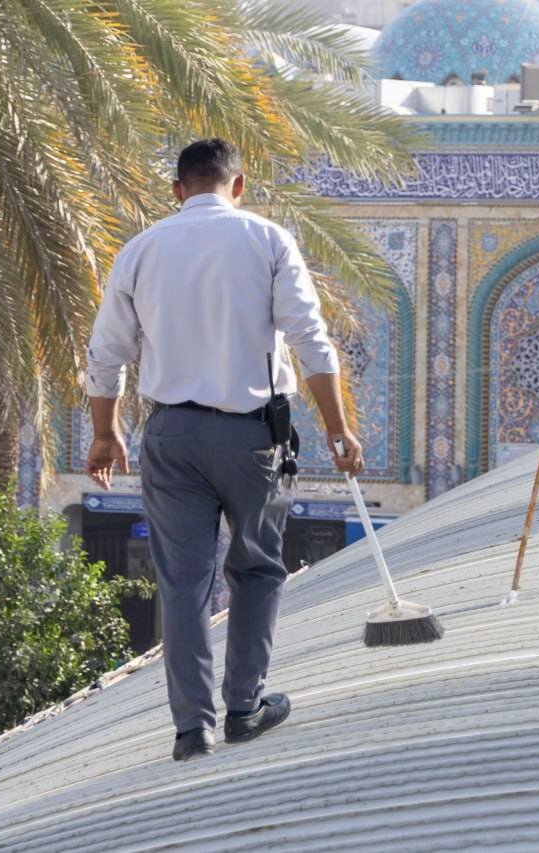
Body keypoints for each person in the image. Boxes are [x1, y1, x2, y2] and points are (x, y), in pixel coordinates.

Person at [85, 139, 362, 762]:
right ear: (239, 186)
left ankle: (192, 727)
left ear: (177, 190)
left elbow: (106, 355)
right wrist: (338, 428)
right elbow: (310, 340)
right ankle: (245, 706)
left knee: (183, 582)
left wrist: (106, 431)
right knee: (256, 567)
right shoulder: (267, 240)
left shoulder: (141, 249)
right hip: (251, 436)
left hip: (170, 435)